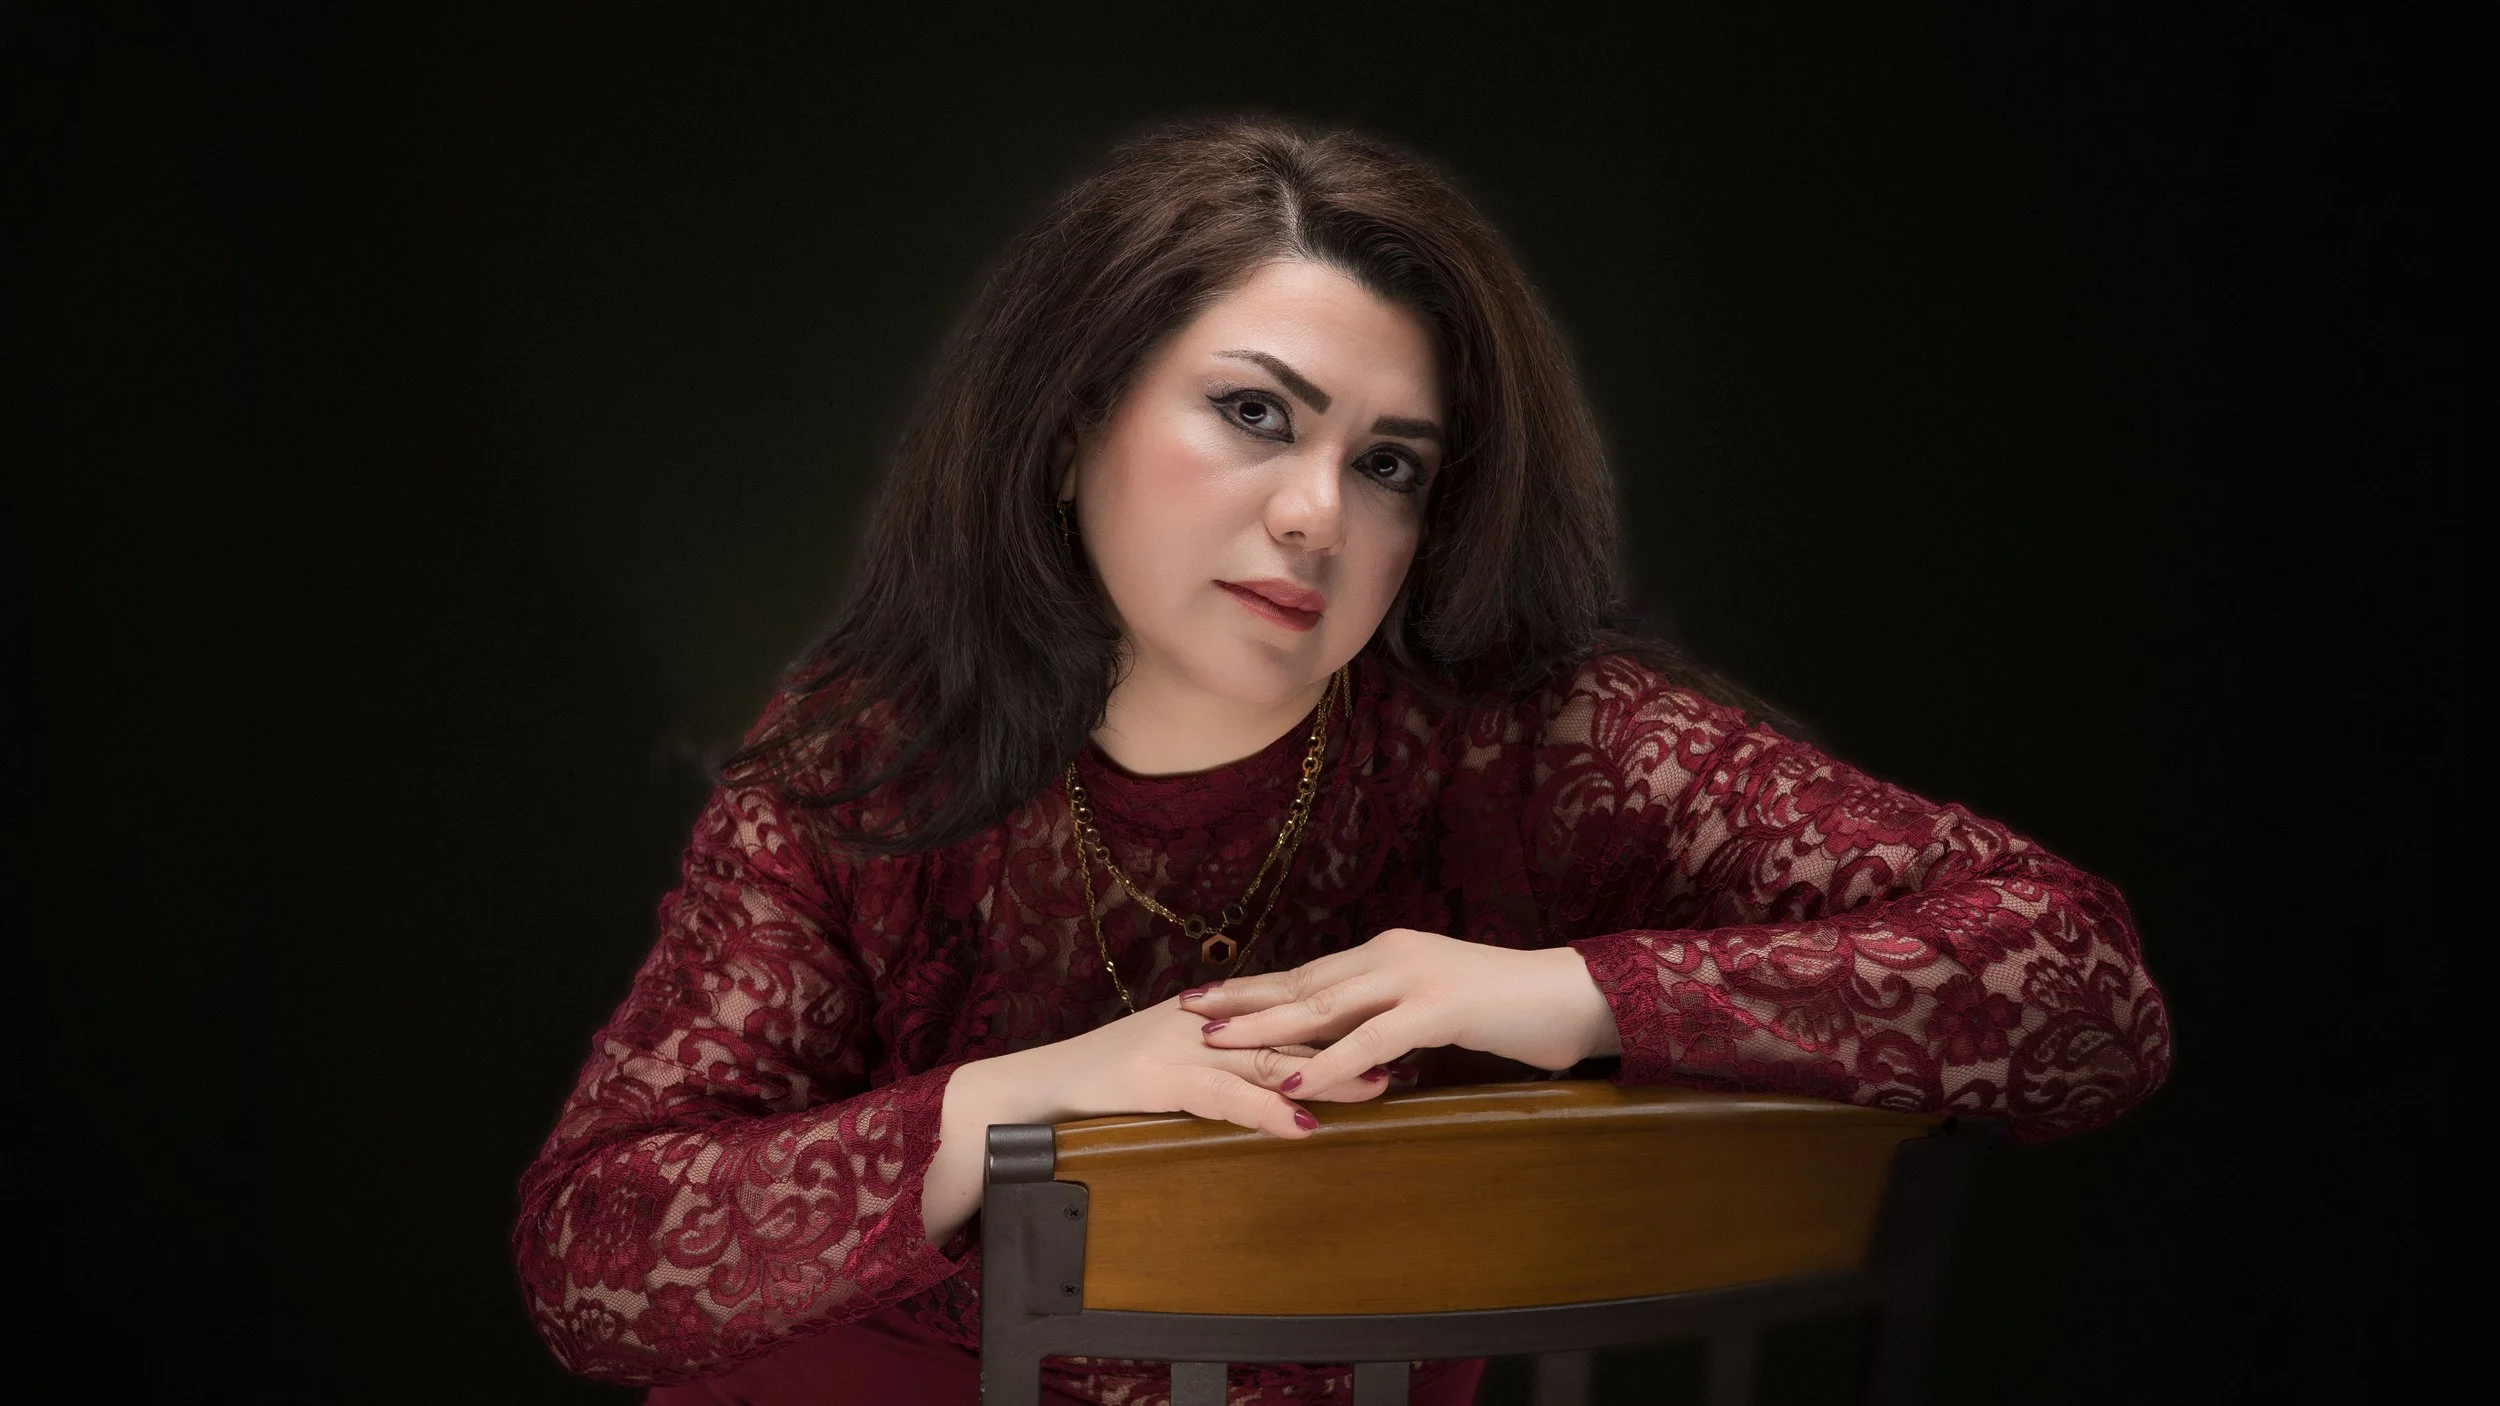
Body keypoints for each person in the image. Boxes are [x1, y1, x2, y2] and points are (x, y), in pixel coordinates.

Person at [513, 116, 2171, 1406]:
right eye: (1254, 412)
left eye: (1390, 464)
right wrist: (1030, 1098)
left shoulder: (1533, 746)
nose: (1319, 512)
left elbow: (2086, 992)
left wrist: (1564, 995)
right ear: (1073, 424)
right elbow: (593, 1257)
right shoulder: (866, 758)